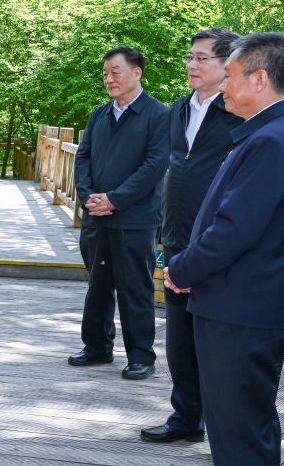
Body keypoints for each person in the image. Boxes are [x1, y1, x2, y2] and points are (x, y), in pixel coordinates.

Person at [166, 32, 284, 465]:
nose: (223, 87)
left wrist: (181, 269)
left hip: (243, 309)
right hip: (244, 306)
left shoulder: (275, 139)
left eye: (230, 76)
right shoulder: (277, 132)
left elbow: (235, 229)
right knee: (241, 426)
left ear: (259, 80)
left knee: (239, 435)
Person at [140, 28, 241, 445]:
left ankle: (228, 431)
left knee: (216, 343)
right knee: (179, 338)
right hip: (178, 237)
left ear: (227, 66)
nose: (192, 65)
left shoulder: (240, 112)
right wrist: (166, 233)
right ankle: (186, 419)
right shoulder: (180, 108)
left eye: (202, 58)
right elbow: (174, 171)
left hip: (220, 243)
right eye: (190, 57)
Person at [70, 46, 170, 380]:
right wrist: (88, 197)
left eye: (116, 72)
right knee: (98, 283)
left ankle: (141, 356)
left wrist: (115, 198)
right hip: (96, 216)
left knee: (135, 287)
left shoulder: (158, 115)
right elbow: (82, 157)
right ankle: (97, 346)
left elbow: (155, 166)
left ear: (137, 73)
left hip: (136, 219)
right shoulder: (99, 114)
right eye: (105, 73)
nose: (109, 79)